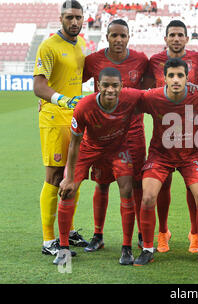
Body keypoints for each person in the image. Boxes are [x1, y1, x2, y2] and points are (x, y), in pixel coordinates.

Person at [54, 67, 149, 266]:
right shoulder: (84, 106)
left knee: (127, 188)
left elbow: (158, 97)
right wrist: (69, 177)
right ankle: (63, 249)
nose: (110, 90)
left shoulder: (131, 97)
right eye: (105, 85)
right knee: (68, 190)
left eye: (115, 85)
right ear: (98, 86)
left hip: (117, 149)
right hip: (89, 148)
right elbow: (74, 143)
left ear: (122, 86)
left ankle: (126, 248)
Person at [133, 58, 198, 267]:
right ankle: (147, 248)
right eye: (171, 75)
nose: (176, 79)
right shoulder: (152, 97)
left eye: (180, 75)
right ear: (163, 78)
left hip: (190, 156)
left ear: (188, 77)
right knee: (148, 197)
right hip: (160, 156)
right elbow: (130, 103)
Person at [82, 19, 149, 252]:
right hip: (102, 134)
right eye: (114, 35)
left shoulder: (141, 60)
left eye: (123, 35)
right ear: (107, 37)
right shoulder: (93, 60)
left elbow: (150, 90)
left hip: (133, 133)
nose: (118, 40)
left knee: (137, 183)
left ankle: (142, 234)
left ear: (129, 37)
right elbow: (72, 82)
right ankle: (97, 234)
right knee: (101, 183)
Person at [144, 20, 198, 254]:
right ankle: (162, 232)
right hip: (162, 139)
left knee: (196, 189)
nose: (176, 38)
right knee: (162, 186)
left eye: (180, 35)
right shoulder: (154, 62)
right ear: (165, 38)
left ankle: (195, 233)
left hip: (190, 140)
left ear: (187, 38)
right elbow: (146, 92)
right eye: (172, 35)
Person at [33, 0, 88, 257]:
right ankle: (48, 240)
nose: (74, 22)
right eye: (69, 17)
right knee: (55, 177)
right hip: (54, 119)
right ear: (61, 18)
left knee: (74, 176)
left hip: (76, 119)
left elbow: (77, 76)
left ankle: (68, 230)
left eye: (78, 17)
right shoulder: (48, 46)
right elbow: (39, 87)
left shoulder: (82, 44)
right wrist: (63, 99)